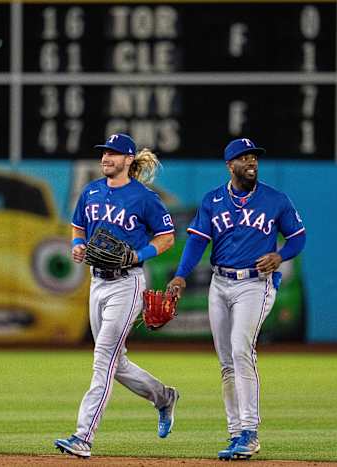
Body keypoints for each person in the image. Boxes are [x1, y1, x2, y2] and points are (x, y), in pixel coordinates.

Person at [167, 138, 306, 460]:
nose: (251, 163)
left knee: (242, 350)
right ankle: (235, 433)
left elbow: (298, 237)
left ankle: (250, 432)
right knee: (227, 362)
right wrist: (180, 275)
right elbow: (197, 242)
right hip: (220, 283)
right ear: (230, 165)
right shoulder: (213, 200)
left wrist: (280, 255)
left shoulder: (275, 200)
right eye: (243, 158)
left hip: (255, 284)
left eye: (254, 157)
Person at [54, 133, 179, 459]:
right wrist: (77, 245)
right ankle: (163, 397)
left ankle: (83, 437)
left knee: (103, 360)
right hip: (97, 283)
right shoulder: (91, 191)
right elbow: (77, 225)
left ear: (128, 160)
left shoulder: (144, 197)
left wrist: (138, 255)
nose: (106, 158)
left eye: (113, 153)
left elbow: (167, 237)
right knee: (115, 362)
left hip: (128, 284)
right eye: (104, 153)